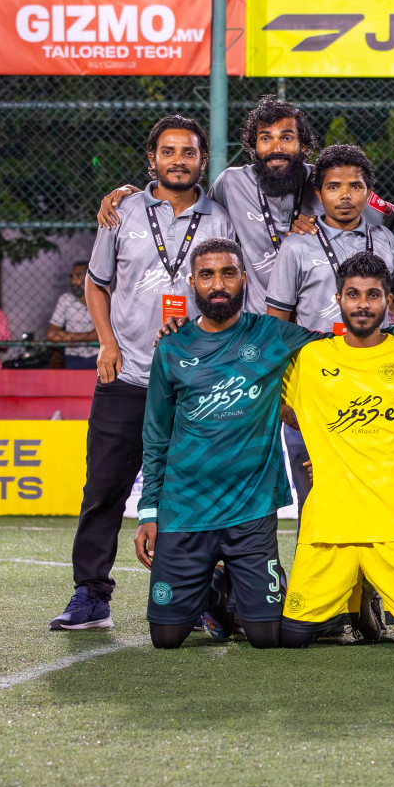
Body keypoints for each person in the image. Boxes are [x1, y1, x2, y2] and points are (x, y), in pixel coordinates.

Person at [52, 115, 236, 631]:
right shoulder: (123, 212)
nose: (179, 160)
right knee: (104, 488)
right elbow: (96, 284)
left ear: (203, 160)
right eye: (169, 151)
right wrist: (106, 342)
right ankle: (90, 594)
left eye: (189, 152)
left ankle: (196, 594)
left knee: (190, 492)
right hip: (126, 375)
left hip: (193, 383)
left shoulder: (220, 220)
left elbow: (231, 296)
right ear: (151, 158)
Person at [134, 239, 321, 649]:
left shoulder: (273, 335)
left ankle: (238, 585)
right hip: (185, 509)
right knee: (166, 638)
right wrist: (149, 511)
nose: (218, 284)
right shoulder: (172, 346)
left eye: (228, 273)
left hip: (250, 510)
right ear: (192, 284)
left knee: (267, 637)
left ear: (244, 279)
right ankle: (215, 591)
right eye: (207, 275)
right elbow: (156, 436)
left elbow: (346, 348)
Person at [93, 96, 394, 316]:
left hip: (318, 323)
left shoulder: (330, 184)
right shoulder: (230, 184)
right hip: (252, 324)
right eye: (266, 138)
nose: (276, 148)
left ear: (304, 147)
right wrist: (128, 194)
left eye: (287, 138)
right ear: (253, 147)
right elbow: (189, 207)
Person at [278, 251, 394, 650]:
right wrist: (325, 440)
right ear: (338, 300)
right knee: (291, 638)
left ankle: (360, 602)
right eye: (353, 294)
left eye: (373, 295)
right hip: (329, 526)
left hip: (392, 525)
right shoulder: (310, 357)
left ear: (389, 302)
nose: (363, 304)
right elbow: (284, 408)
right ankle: (356, 605)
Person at [266, 144, 394, 515]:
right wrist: (282, 395)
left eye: (355, 186)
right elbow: (275, 327)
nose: (345, 196)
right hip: (312, 388)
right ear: (319, 194)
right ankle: (313, 572)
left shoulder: (385, 241)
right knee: (315, 500)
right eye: (333, 187)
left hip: (373, 387)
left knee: (372, 498)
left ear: (369, 191)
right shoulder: (297, 245)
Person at [47, 261, 99, 370]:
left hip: (99, 355)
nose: (73, 281)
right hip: (73, 356)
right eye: (72, 277)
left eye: (79, 276)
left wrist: (68, 337)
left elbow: (104, 334)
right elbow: (52, 334)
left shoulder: (103, 300)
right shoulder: (66, 300)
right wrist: (89, 336)